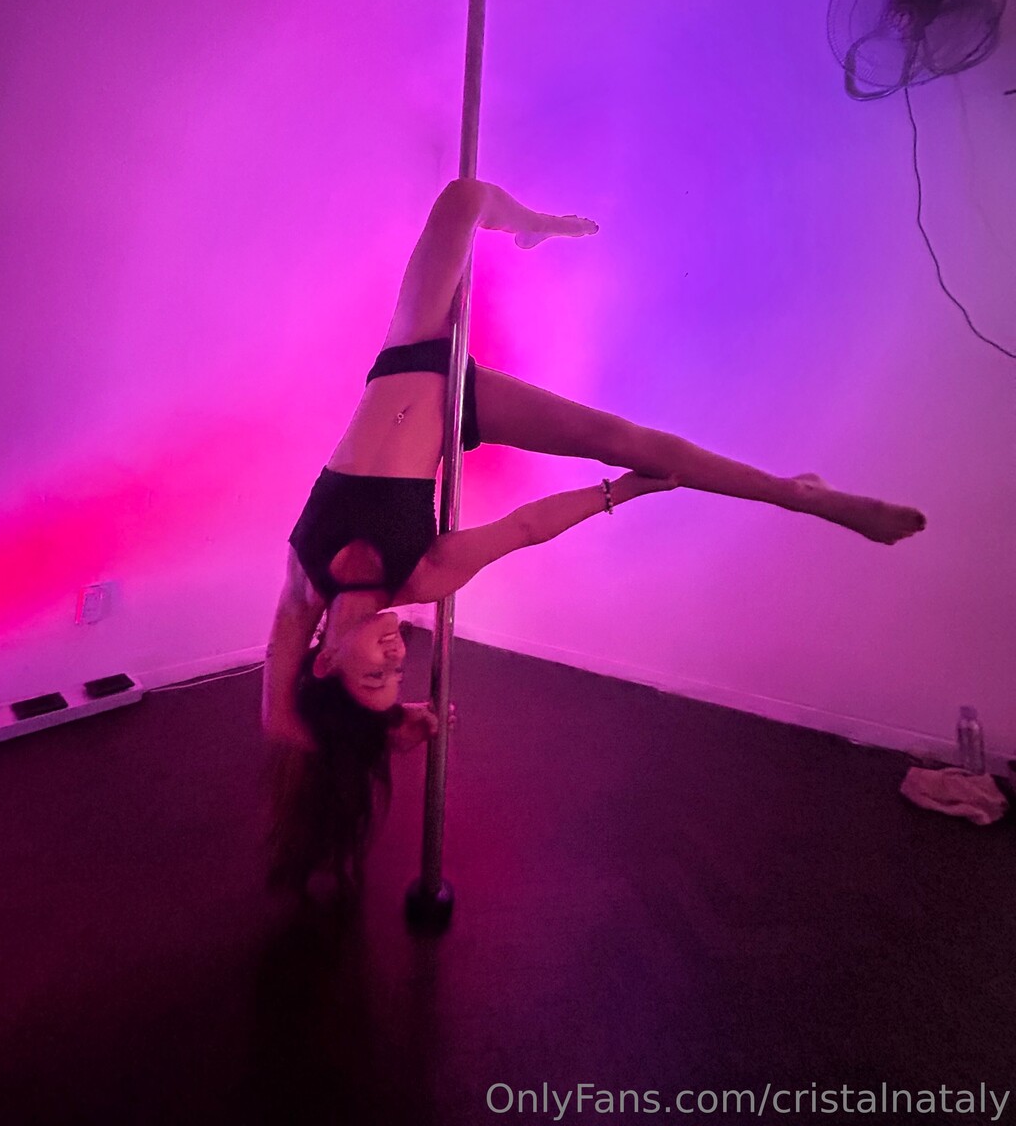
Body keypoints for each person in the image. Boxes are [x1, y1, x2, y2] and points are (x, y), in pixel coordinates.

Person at [261, 178, 926, 894]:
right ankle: (800, 494)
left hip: (407, 352)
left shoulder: (302, 584)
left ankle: (532, 223)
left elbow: (281, 719)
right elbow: (524, 528)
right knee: (630, 444)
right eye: (396, 676)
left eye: (376, 672)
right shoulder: (421, 576)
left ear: (324, 663)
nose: (398, 658)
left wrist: (376, 731)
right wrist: (617, 493)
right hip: (462, 400)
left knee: (463, 198)